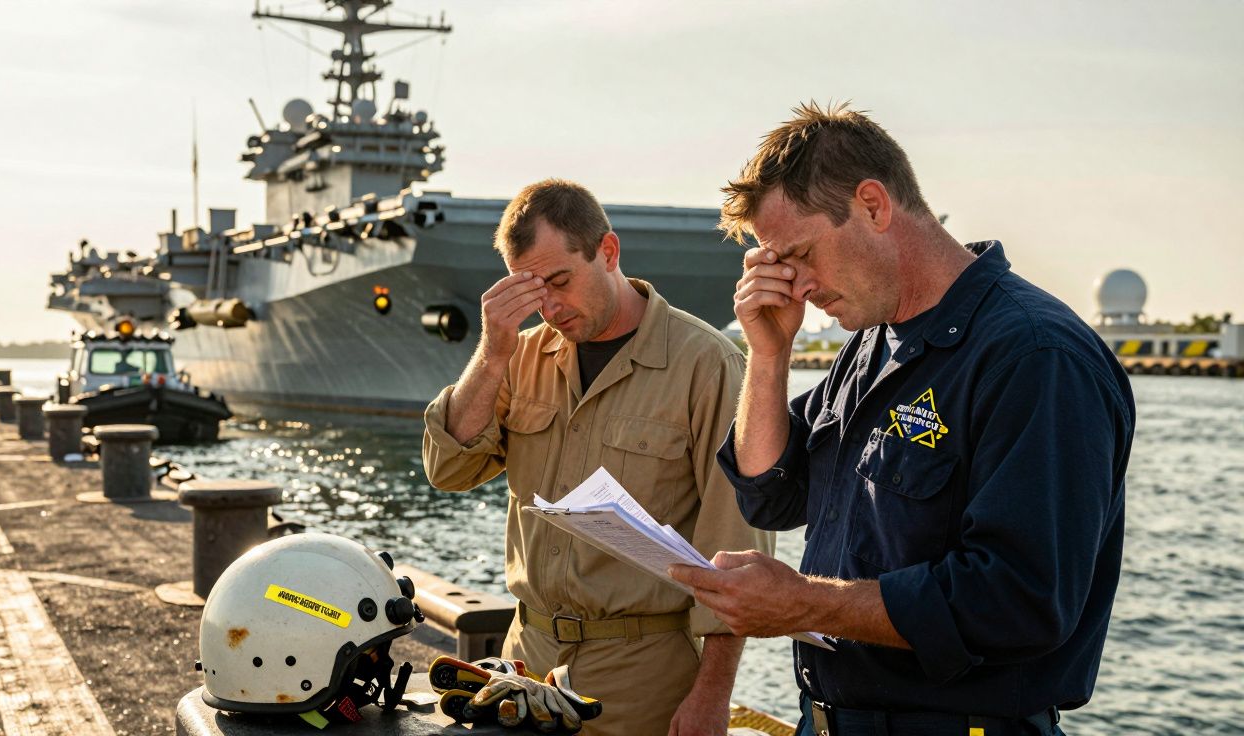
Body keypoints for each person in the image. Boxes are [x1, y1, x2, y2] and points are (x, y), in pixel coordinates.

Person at [668, 103, 1135, 736]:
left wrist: (805, 603)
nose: (796, 286)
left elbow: (1020, 600)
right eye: (778, 265)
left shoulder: (1034, 356)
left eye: (801, 254)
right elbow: (770, 494)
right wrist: (769, 354)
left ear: (873, 205)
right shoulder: (874, 340)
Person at [422, 178, 774, 736]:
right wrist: (492, 355)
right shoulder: (521, 355)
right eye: (531, 290)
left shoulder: (706, 365)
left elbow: (736, 543)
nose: (550, 306)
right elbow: (450, 470)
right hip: (525, 665)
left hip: (643, 677)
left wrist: (713, 694)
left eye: (560, 280)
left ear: (607, 251)